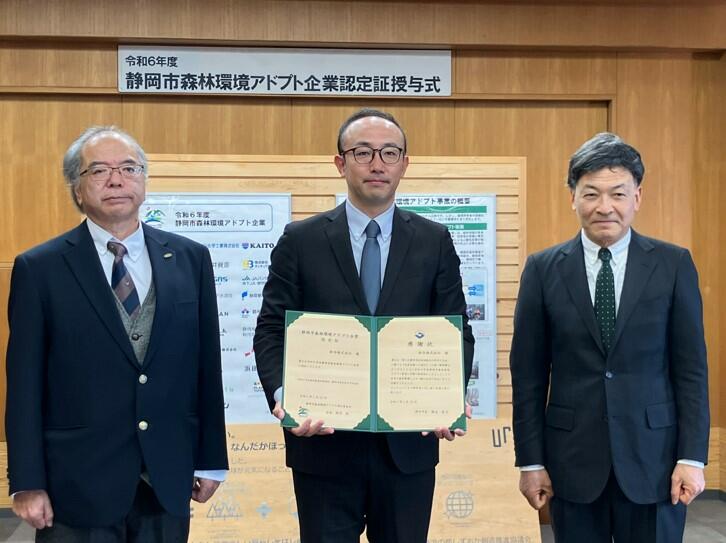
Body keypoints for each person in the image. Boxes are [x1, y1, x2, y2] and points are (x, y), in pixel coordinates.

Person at [253, 108, 475, 543]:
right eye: (363, 153)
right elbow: (271, 330)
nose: (377, 164)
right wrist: (285, 397)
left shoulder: (434, 240)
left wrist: (448, 398)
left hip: (408, 445)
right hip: (323, 443)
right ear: (341, 163)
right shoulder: (301, 240)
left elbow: (455, 330)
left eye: (390, 153)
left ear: (404, 164)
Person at [5, 126, 228, 542]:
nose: (116, 180)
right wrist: (27, 480)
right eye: (99, 170)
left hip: (166, 477)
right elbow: (24, 384)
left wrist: (212, 458)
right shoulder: (40, 268)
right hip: (76, 483)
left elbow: (206, 368)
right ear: (77, 189)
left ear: (143, 180)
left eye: (129, 168)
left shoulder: (190, 259)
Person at [510, 132, 710, 542]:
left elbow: (691, 371)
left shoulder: (673, 264)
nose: (605, 207)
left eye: (618, 194)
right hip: (572, 462)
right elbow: (528, 376)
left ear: (637, 197)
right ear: (573, 197)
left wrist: (692, 457)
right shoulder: (542, 269)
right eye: (591, 194)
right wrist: (530, 462)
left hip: (656, 461)